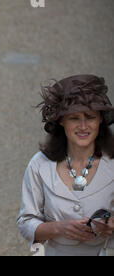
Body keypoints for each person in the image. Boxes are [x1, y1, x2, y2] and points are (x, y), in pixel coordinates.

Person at [17, 74, 114, 256]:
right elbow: (25, 222)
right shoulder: (39, 165)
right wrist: (59, 228)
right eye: (74, 118)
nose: (83, 126)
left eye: (90, 117)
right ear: (61, 121)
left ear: (100, 119)